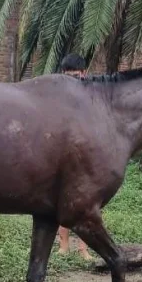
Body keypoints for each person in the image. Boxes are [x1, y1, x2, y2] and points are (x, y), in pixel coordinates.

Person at [57, 53, 93, 261]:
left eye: (76, 76)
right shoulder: (58, 97)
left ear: (84, 73)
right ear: (62, 74)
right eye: (69, 76)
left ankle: (83, 249)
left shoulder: (90, 97)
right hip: (64, 156)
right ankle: (63, 246)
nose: (73, 80)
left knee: (88, 206)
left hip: (86, 157)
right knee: (64, 204)